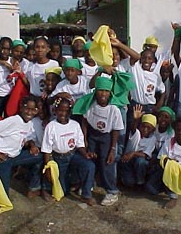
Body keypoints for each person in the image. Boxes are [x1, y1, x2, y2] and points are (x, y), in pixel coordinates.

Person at [73, 77, 124, 206]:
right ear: (96, 91)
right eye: (100, 90)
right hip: (92, 134)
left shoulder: (114, 109)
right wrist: (84, 139)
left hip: (106, 136)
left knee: (106, 162)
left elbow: (116, 130)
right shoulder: (91, 104)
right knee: (90, 159)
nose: (103, 94)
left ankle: (111, 191)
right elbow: (84, 121)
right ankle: (88, 185)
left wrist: (113, 149)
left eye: (106, 91)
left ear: (110, 93)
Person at [41, 98, 96, 205]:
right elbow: (46, 149)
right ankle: (45, 189)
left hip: (72, 155)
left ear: (70, 112)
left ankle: (86, 195)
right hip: (58, 158)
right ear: (55, 111)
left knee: (89, 165)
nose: (63, 114)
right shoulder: (51, 126)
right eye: (60, 110)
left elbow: (79, 144)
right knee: (64, 192)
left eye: (66, 111)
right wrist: (47, 166)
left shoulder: (75, 124)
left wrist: (85, 154)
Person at [120, 105, 156, 188]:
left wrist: (133, 153)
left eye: (149, 128)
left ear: (153, 130)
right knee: (129, 183)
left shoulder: (152, 138)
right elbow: (133, 129)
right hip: (127, 161)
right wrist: (136, 120)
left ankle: (140, 182)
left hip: (138, 162)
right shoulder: (137, 134)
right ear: (140, 126)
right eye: (144, 126)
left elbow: (146, 155)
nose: (145, 129)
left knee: (141, 161)